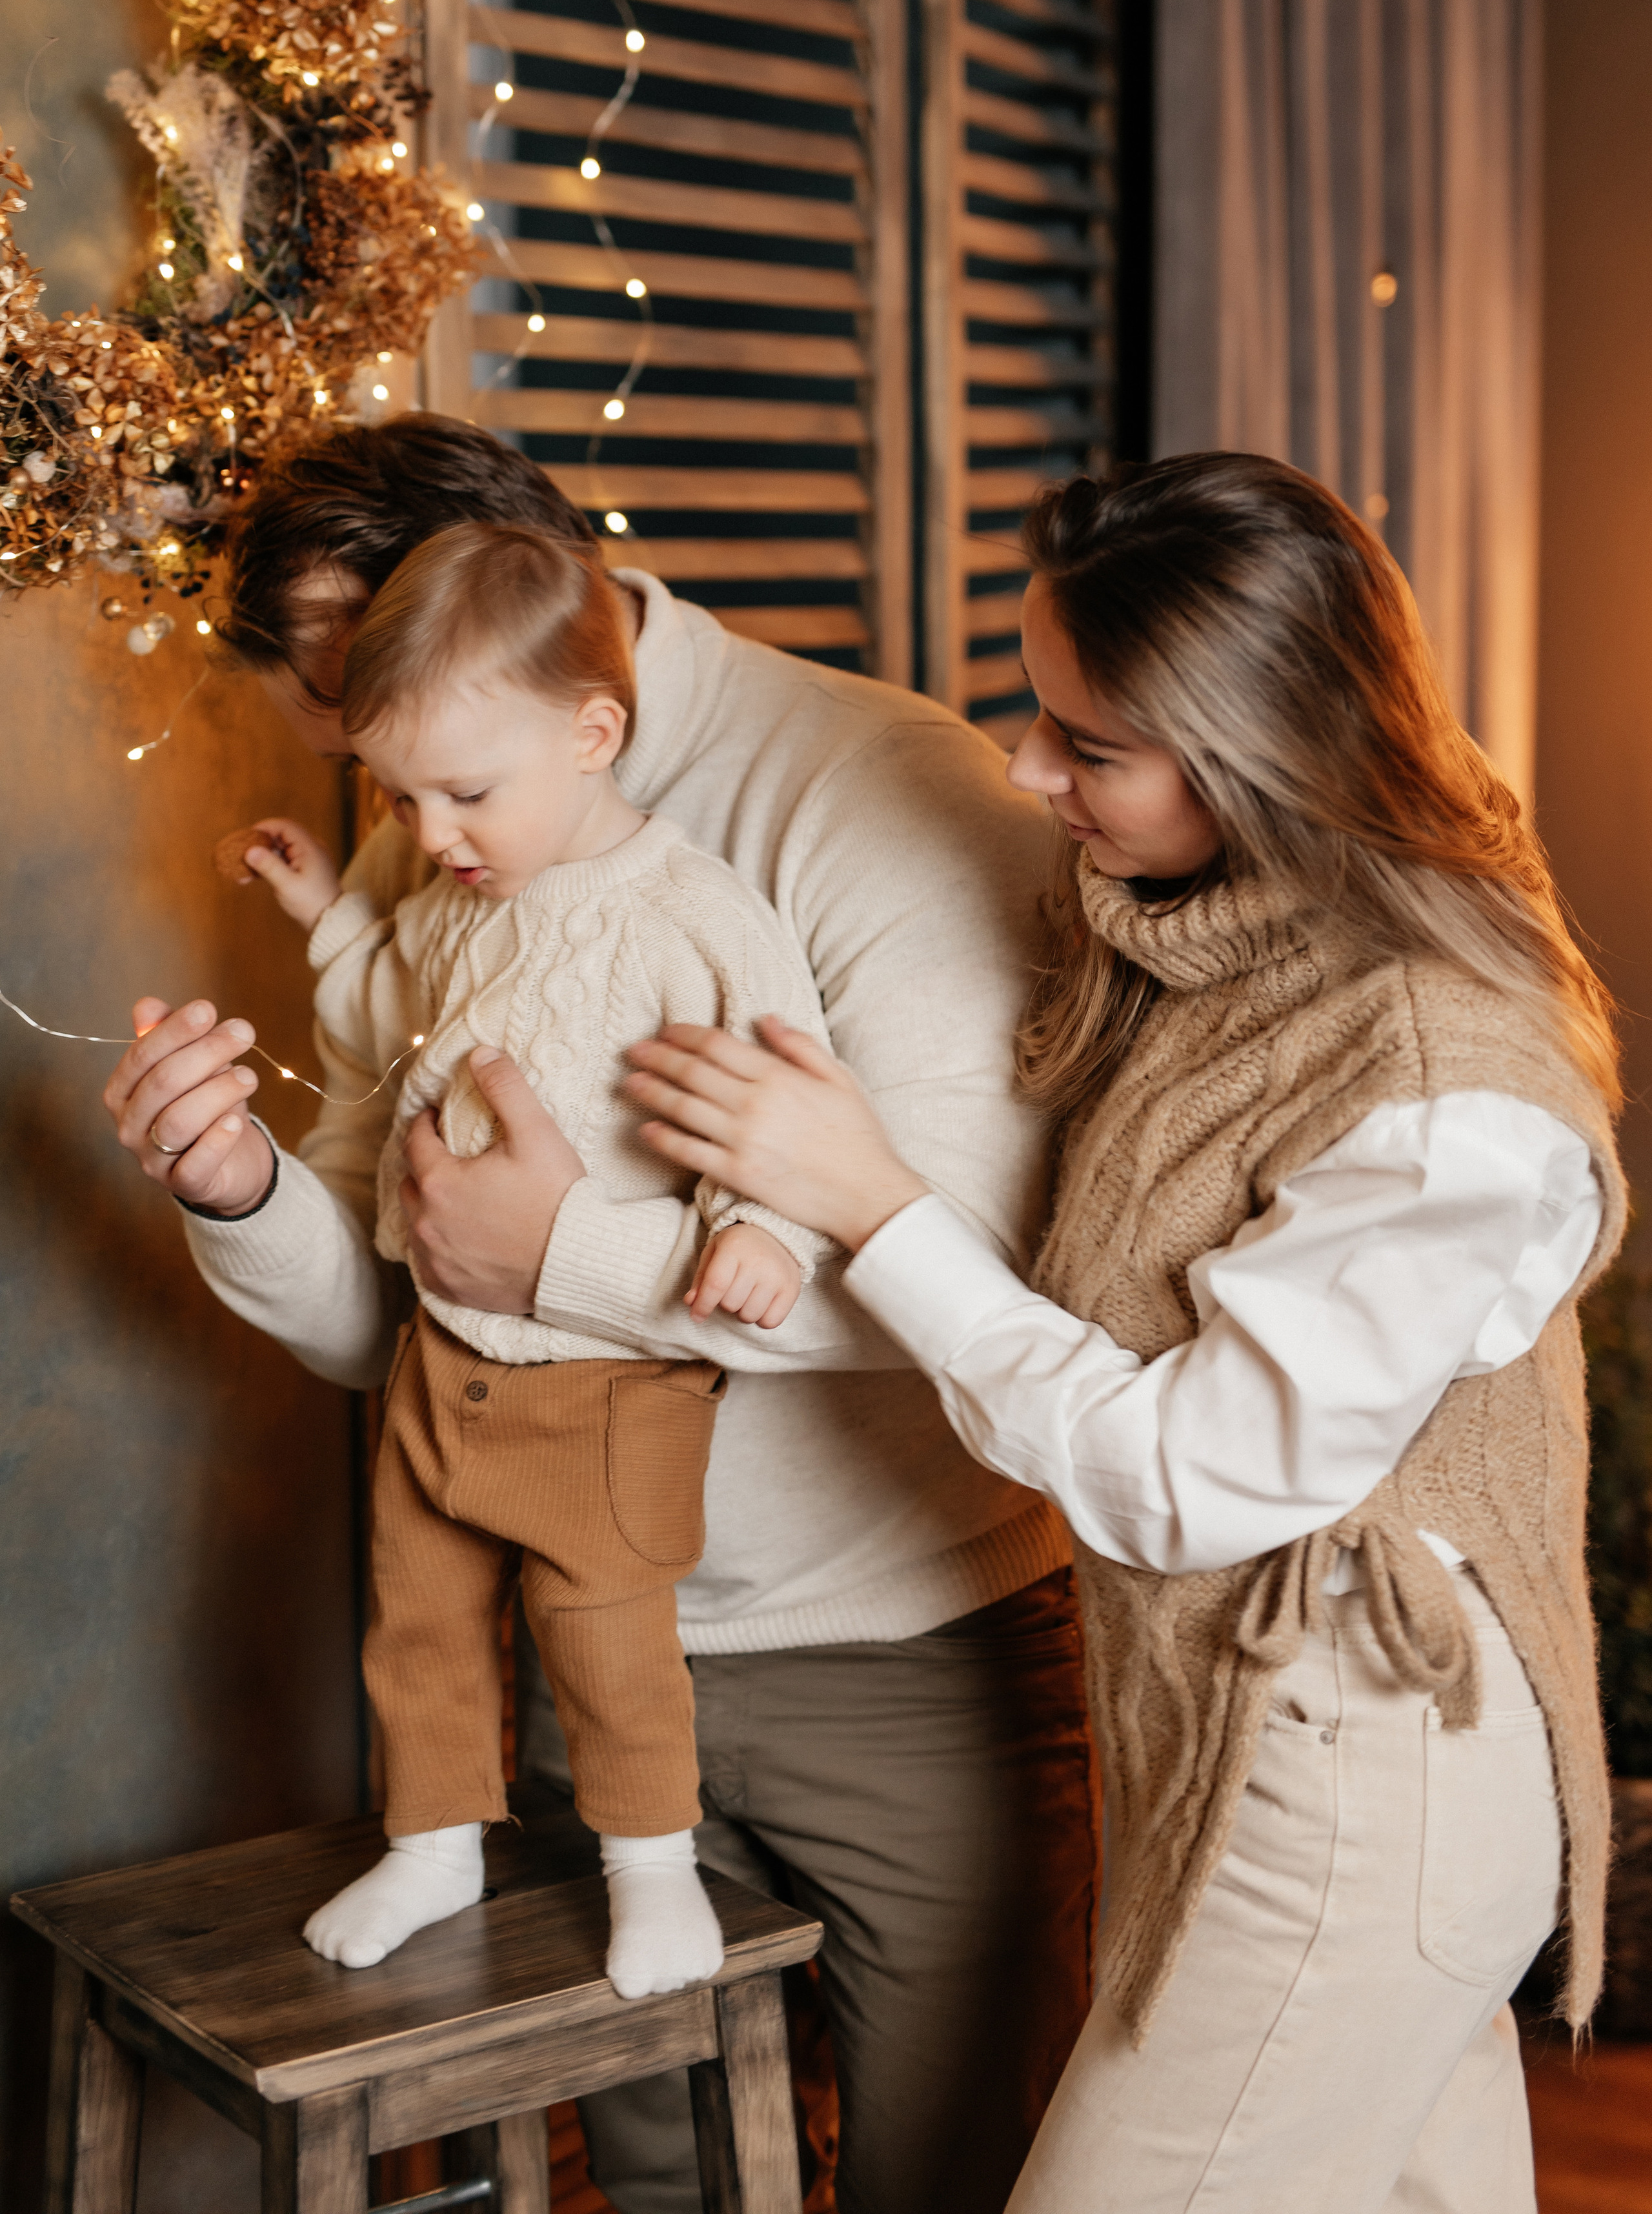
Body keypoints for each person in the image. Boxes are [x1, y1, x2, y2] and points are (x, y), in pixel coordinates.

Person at [101, 414, 1094, 2214]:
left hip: (902, 1656)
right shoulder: (446, 809)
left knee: (969, 2169)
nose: (363, 757)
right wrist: (239, 1189)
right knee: (653, 2182)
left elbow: (981, 1276)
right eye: (345, 720)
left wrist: (559, 1254)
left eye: (363, 676)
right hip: (571, 1638)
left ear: (525, 619)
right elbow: (388, 1307)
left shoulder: (877, 793)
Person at [620, 454, 1626, 2214]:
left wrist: (869, 1203)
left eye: (1089, 745)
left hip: (1361, 1785)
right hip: (1244, 1758)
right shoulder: (1228, 951)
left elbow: (1186, 1479)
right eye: (1043, 713)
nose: (1023, 771)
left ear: (1267, 760)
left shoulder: (1445, 1091)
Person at [221, 519, 834, 1997]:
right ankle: (434, 1840)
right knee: (417, 1617)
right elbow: (396, 1041)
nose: (431, 832)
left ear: (592, 732)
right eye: (402, 795)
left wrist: (765, 1230)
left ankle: (652, 1872)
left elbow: (799, 1103)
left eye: (466, 793)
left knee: (608, 1645)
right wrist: (331, 925)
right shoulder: (449, 899)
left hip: (606, 1383)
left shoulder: (692, 914)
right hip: (444, 1358)